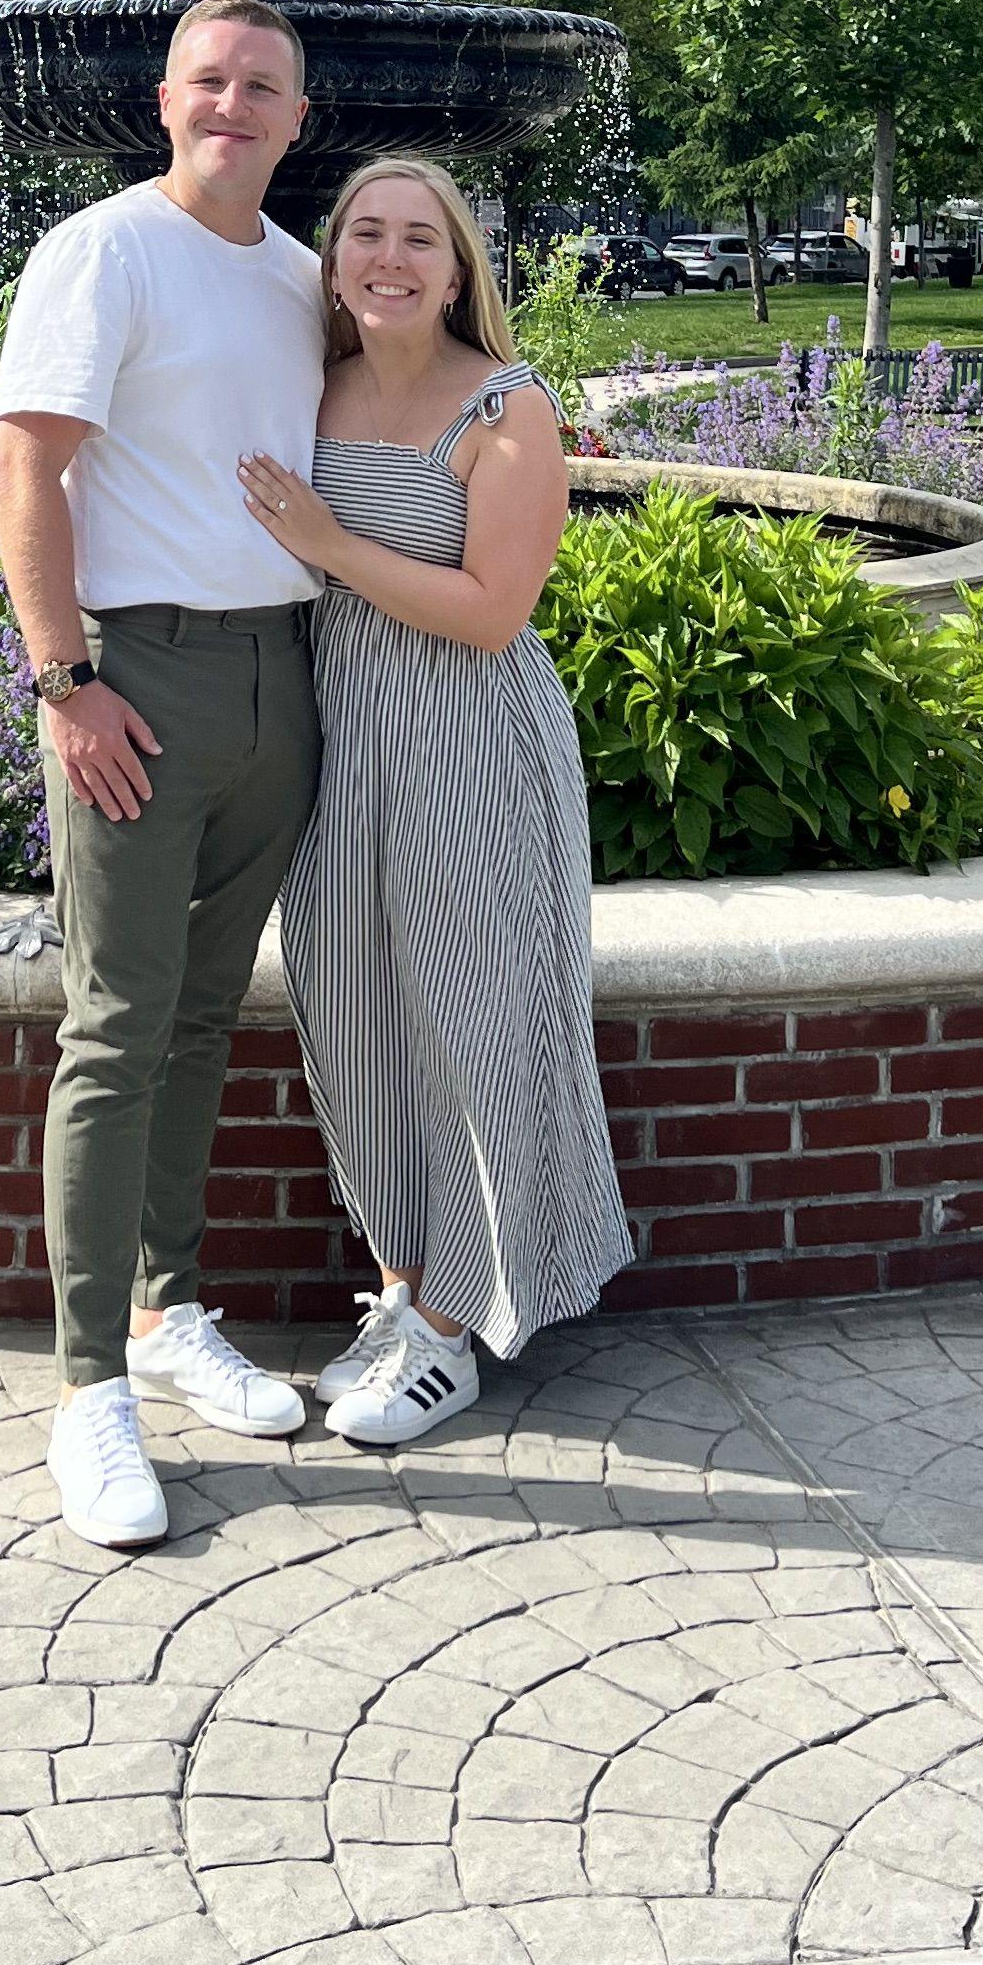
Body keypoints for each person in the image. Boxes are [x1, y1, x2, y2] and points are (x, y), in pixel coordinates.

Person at [0, 0, 331, 1548]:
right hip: (134, 676)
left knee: (203, 1016)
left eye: (262, 85)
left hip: (280, 676)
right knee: (116, 1028)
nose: (233, 104)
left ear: (298, 117)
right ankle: (88, 1396)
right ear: (165, 98)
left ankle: (167, 1308)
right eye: (210, 79)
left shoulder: (303, 278)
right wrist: (64, 681)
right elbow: (28, 463)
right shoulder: (104, 252)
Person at [235, 158, 628, 1448]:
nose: (389, 259)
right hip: (342, 745)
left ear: (459, 272)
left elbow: (492, 611)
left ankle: (456, 1331)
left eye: (420, 239)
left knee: (473, 1025)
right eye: (366, 233)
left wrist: (330, 544)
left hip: (471, 744)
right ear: (333, 256)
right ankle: (403, 1290)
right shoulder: (311, 385)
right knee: (355, 1026)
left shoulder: (509, 406)